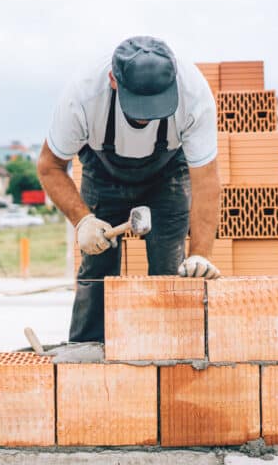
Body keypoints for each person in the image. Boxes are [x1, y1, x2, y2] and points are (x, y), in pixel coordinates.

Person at [37, 36, 221, 343]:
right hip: (103, 171)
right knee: (97, 268)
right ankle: (86, 352)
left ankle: (171, 353)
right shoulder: (82, 95)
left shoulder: (194, 94)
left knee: (171, 271)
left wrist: (200, 255)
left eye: (156, 106)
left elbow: (206, 182)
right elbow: (48, 166)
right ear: (113, 80)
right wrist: (83, 220)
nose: (147, 115)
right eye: (139, 106)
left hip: (167, 174)